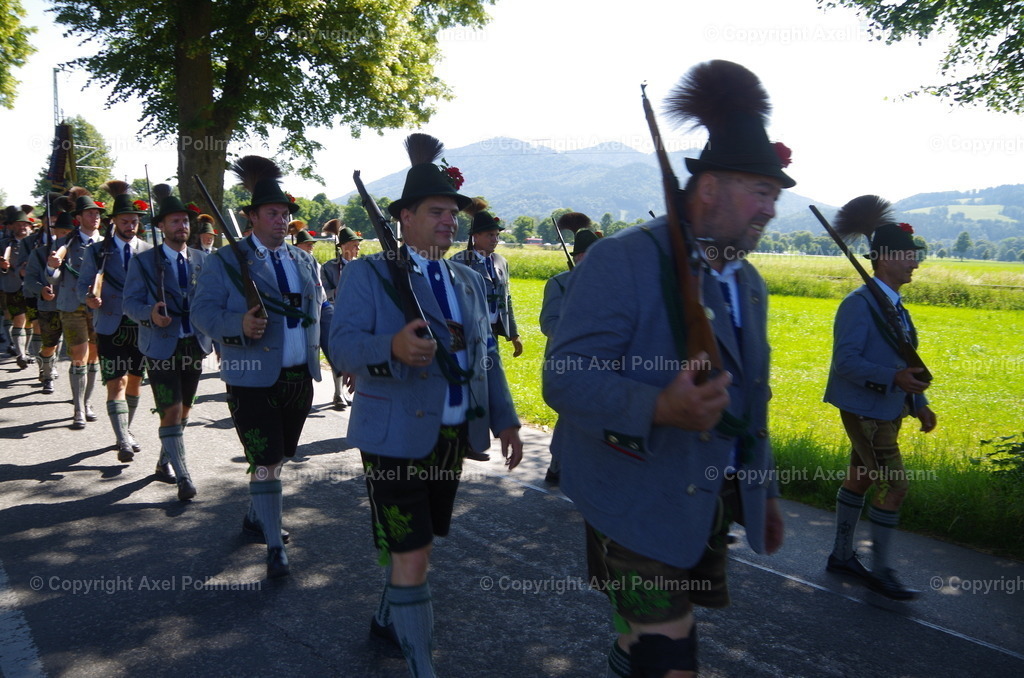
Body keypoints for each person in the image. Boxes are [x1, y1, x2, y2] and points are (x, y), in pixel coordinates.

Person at [543, 60, 788, 677]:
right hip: (630, 495)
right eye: (761, 191)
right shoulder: (623, 260)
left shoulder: (749, 283)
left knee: (643, 646)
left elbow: (752, 404)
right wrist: (658, 406)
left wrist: (764, 491)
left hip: (703, 497)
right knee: (671, 656)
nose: (771, 209)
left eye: (775, 195)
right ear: (709, 188)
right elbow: (564, 377)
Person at [331, 133, 522, 678]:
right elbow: (340, 346)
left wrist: (504, 419)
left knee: (418, 544)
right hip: (392, 434)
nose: (449, 221)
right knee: (411, 550)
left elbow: (487, 356)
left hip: (453, 434)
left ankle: (387, 617)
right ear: (405, 218)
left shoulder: (465, 277)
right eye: (437, 211)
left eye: (453, 212)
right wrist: (389, 348)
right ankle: (423, 667)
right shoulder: (368, 274)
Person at [192, 155, 326, 579]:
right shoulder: (227, 261)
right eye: (273, 213)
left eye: (286, 213)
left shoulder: (304, 261)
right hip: (250, 378)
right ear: (251, 217)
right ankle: (273, 545)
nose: (282, 220)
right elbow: (202, 311)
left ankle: (256, 513)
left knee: (280, 456)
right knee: (266, 459)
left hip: (298, 377)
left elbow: (320, 311)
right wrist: (239, 325)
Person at [823, 195, 936, 601]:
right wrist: (894, 379)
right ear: (885, 258)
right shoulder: (858, 306)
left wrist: (919, 403)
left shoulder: (894, 307)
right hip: (866, 411)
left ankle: (840, 556)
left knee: (861, 476)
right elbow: (846, 363)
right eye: (909, 255)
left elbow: (906, 361)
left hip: (887, 409)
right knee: (897, 486)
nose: (916, 263)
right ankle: (883, 571)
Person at [123, 189, 212, 499]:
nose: (181, 226)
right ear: (161, 226)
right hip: (160, 347)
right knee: (171, 411)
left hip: (195, 345)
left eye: (185, 221)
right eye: (174, 221)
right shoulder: (144, 261)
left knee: (185, 410)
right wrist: (149, 314)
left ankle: (164, 462)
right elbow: (129, 303)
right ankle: (184, 476)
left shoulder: (202, 259)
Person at [77, 181, 152, 462]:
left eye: (134, 221)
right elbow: (83, 284)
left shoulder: (148, 250)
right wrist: (89, 299)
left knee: (135, 382)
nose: (130, 225)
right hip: (110, 325)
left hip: (142, 326)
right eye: (125, 221)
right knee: (116, 382)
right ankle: (122, 440)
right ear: (114, 222)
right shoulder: (98, 251)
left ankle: (127, 430)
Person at [538, 222, 599, 485]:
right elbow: (548, 323)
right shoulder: (559, 285)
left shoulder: (605, 286)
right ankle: (557, 464)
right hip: (567, 362)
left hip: (598, 362)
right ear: (579, 257)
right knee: (570, 413)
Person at [47, 189, 104, 429]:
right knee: (78, 357)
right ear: (79, 217)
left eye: (97, 213)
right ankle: (78, 409)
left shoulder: (106, 243)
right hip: (72, 306)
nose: (95, 217)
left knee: (93, 358)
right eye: (90, 214)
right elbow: (53, 278)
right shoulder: (63, 243)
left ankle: (88, 402)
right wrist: (51, 267)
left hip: (100, 308)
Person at [448, 198, 522, 357]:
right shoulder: (458, 262)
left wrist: (514, 334)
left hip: (493, 331)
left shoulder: (501, 262)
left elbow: (506, 298)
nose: (495, 240)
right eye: (490, 235)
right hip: (468, 331)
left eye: (496, 235)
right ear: (476, 236)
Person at [23, 199, 74, 394]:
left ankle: (79, 387)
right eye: (62, 233)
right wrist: (41, 290)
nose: (65, 237)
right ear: (55, 232)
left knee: (77, 351)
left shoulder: (82, 254)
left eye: (69, 233)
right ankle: (46, 373)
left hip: (73, 308)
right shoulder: (40, 253)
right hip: (49, 306)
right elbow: (30, 280)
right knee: (49, 346)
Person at [320, 221, 361, 410]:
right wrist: (340, 290)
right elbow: (325, 292)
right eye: (354, 245)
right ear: (343, 247)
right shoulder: (328, 268)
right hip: (335, 317)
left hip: (357, 318)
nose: (358, 248)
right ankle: (338, 393)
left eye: (358, 245)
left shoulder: (364, 267)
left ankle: (353, 392)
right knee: (336, 353)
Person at [0, 207, 35, 370]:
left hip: (33, 288)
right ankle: (21, 354)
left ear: (30, 226)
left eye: (24, 224)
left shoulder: (37, 243)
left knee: (31, 323)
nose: (22, 227)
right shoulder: (4, 244)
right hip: (12, 286)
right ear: (12, 226)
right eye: (18, 224)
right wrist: (3, 267)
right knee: (19, 319)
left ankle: (26, 350)